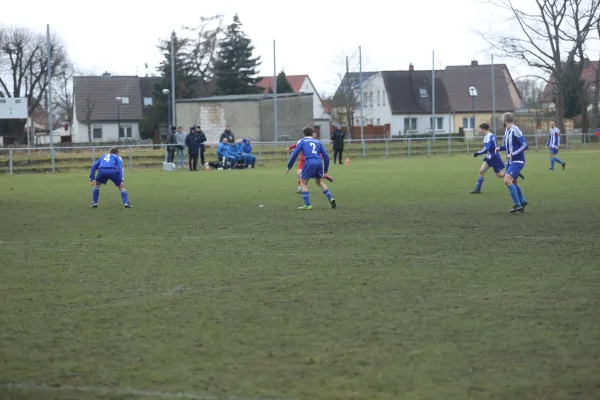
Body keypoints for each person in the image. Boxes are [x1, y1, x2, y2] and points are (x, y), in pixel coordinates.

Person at [287, 126, 336, 210]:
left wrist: (289, 166)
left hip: (309, 162)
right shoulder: (318, 142)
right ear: (312, 133)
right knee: (319, 182)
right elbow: (326, 156)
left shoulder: (302, 141)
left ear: (304, 134)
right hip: (319, 162)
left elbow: (295, 154)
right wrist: (326, 170)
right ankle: (331, 198)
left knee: (302, 183)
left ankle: (308, 205)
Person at [470, 122, 524, 193]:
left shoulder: (489, 136)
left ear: (483, 129)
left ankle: (512, 173)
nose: (479, 131)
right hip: (489, 158)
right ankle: (478, 189)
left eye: (480, 129)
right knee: (481, 171)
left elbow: (486, 148)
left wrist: (478, 153)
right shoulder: (489, 136)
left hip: (494, 158)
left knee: (499, 175)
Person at [497, 112, 528, 213]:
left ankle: (517, 205)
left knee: (507, 180)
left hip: (517, 160)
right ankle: (522, 201)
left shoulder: (515, 130)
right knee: (514, 182)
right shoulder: (507, 131)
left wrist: (513, 154)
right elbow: (507, 145)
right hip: (510, 161)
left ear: (505, 120)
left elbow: (525, 145)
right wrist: (499, 148)